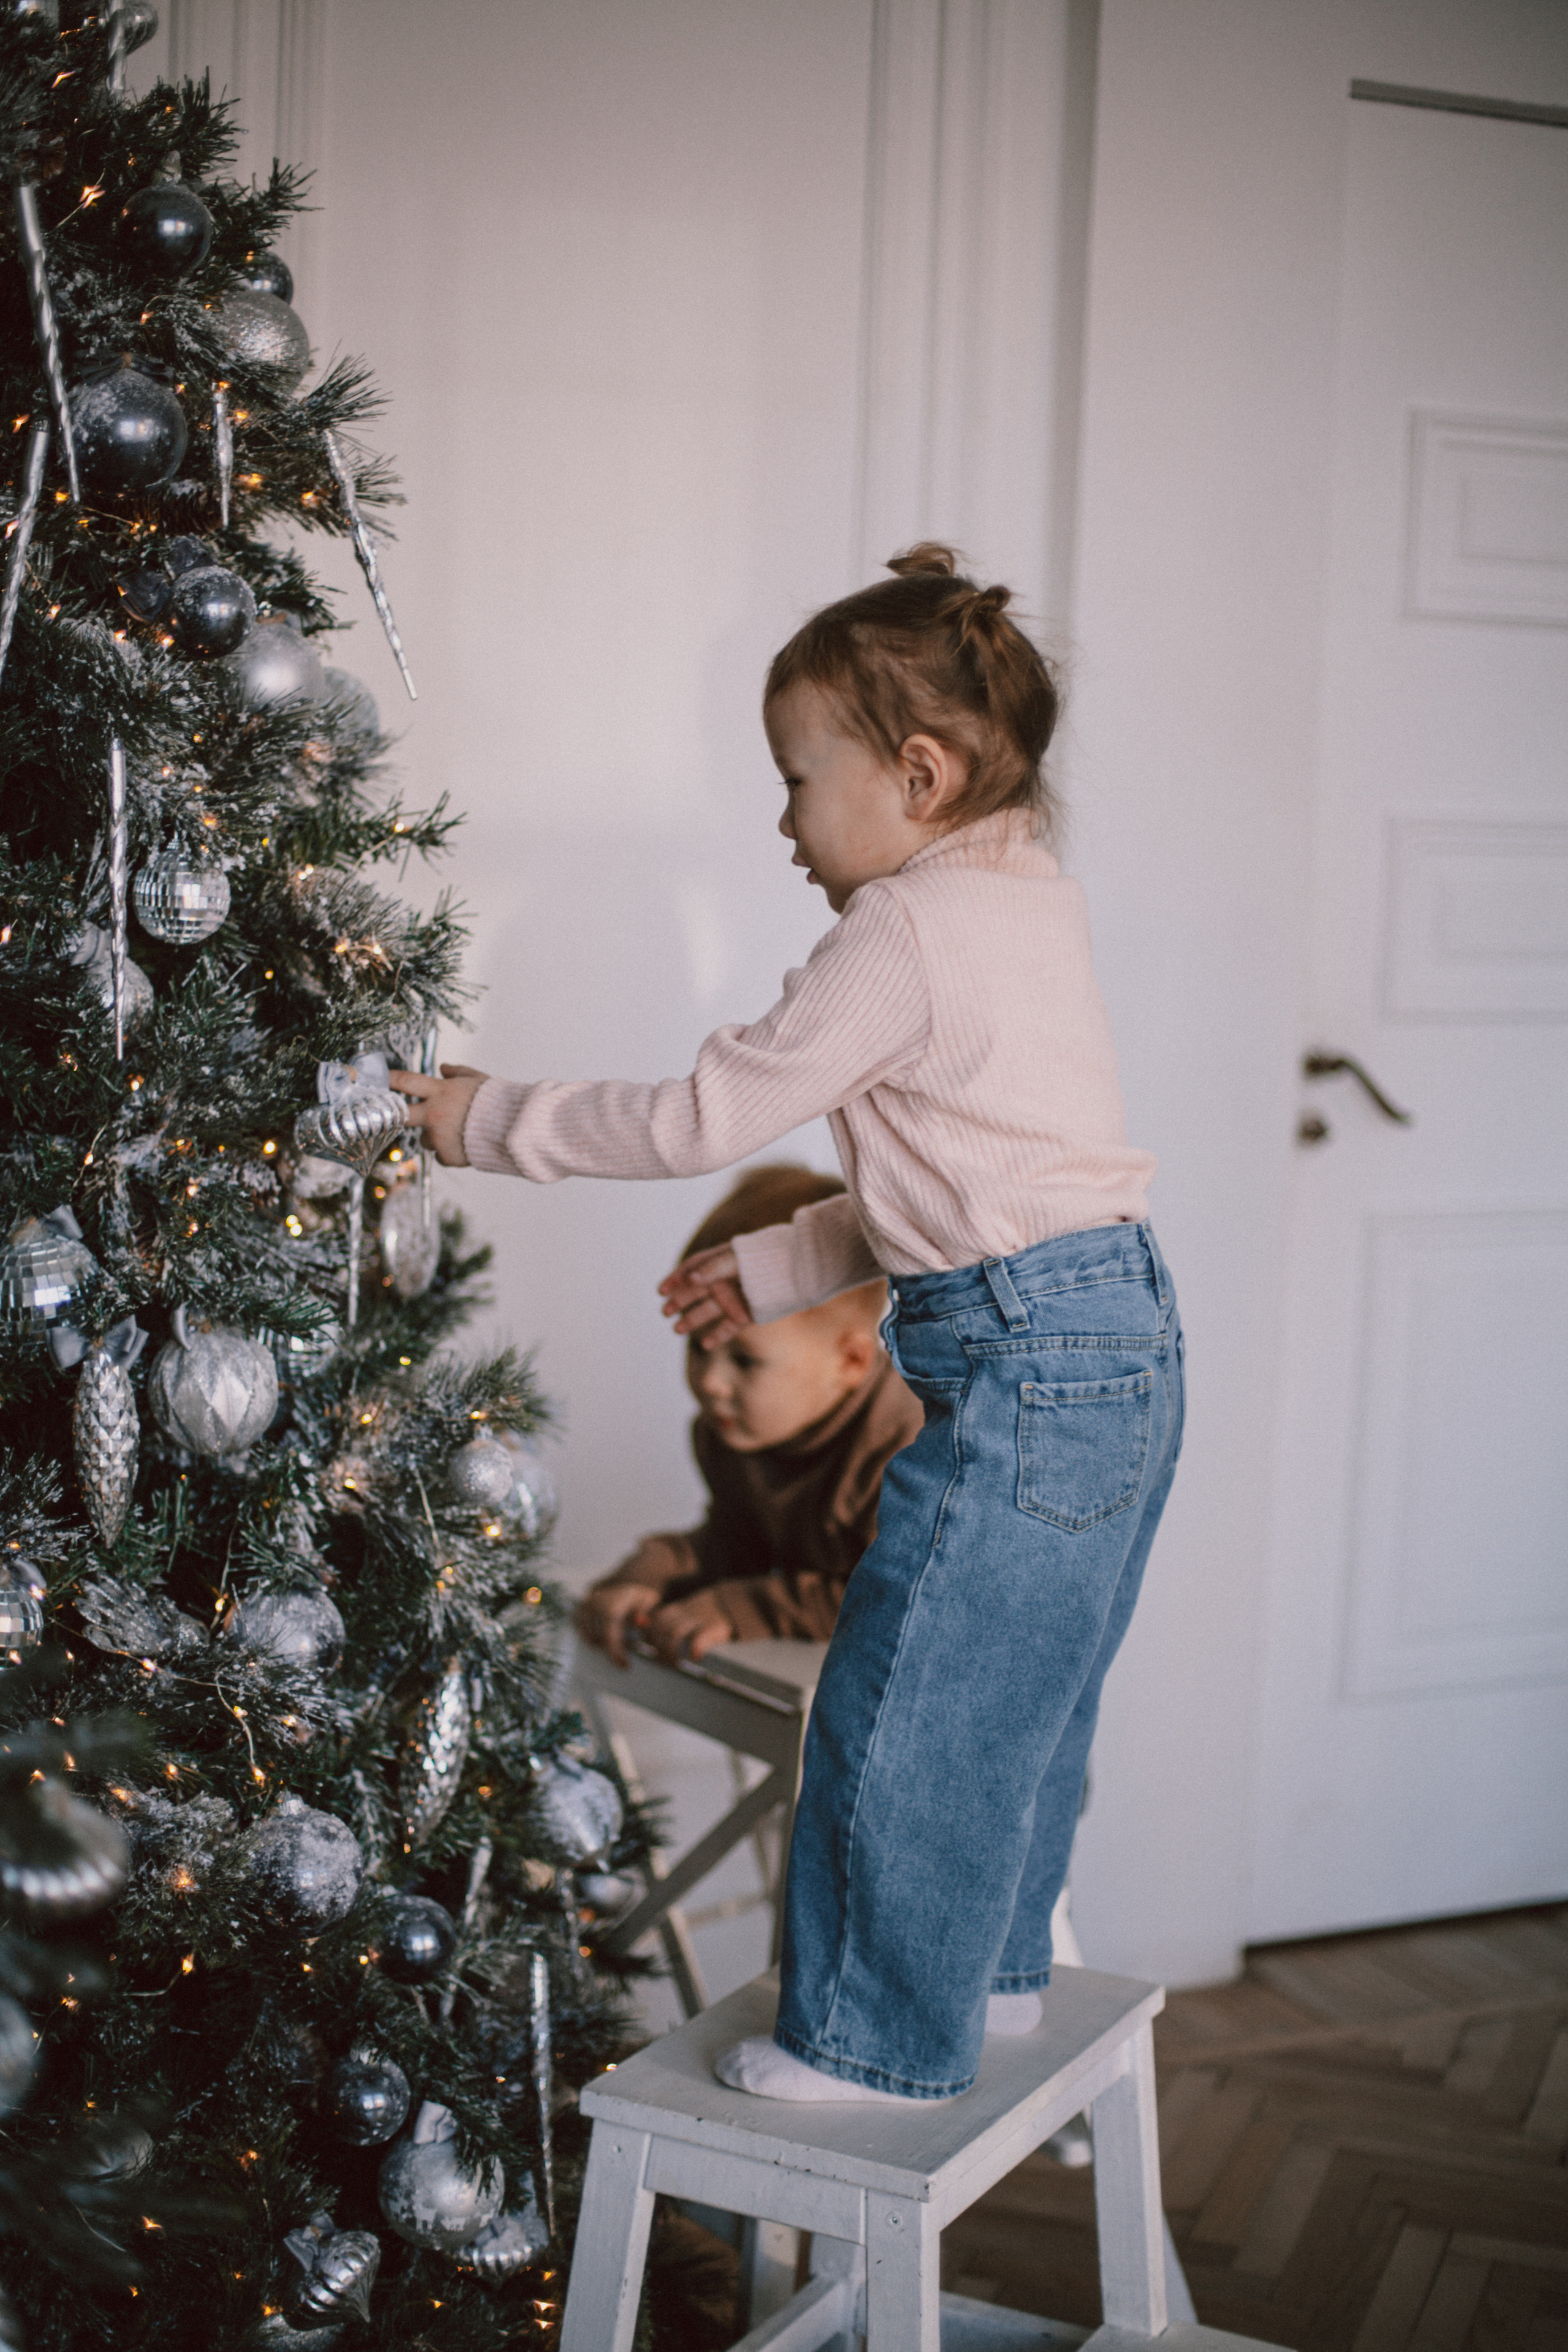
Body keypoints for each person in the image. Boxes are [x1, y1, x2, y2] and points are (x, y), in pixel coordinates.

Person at [391, 545, 1184, 2106]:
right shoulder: (1024, 903)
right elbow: (958, 1179)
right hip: (1118, 1331)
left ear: (916, 772)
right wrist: (769, 1272)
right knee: (1023, 1691)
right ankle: (996, 1971)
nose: (780, 820)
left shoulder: (897, 931)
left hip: (1025, 1358)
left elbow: (701, 1115)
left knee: (899, 1706)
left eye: (796, 778)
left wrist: (485, 1118)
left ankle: (876, 2040)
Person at [576, 1163, 924, 1668]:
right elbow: (739, 1544)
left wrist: (743, 1609)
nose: (711, 1383)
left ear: (849, 1362)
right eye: (699, 1347)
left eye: (744, 1359)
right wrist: (649, 1573)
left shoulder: (906, 1446)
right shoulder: (731, 1434)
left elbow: (897, 1599)